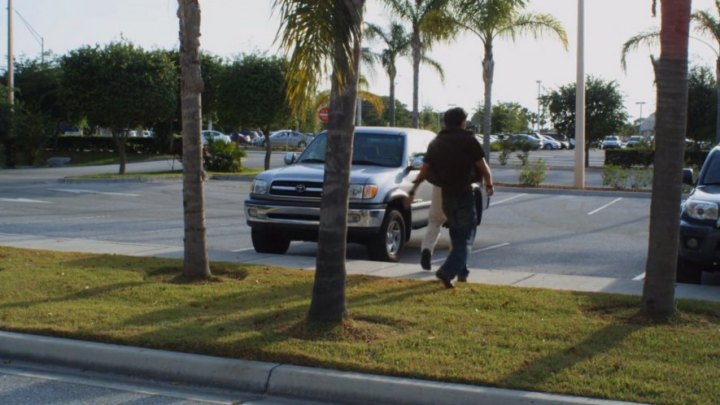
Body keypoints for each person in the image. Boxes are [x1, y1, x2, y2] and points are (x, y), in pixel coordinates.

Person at [407, 107, 494, 288]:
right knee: (466, 235)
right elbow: (483, 166)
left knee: (456, 232)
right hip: (464, 193)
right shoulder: (468, 140)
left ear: (446, 122)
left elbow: (424, 171)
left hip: (446, 195)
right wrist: (489, 184)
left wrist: (412, 191)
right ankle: (447, 271)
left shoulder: (437, 142)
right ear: (463, 121)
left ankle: (462, 272)